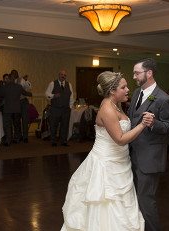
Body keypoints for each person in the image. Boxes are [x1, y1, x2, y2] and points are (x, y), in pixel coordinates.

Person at [61, 71, 154, 231]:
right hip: (106, 164)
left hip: (120, 162)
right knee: (107, 203)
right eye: (123, 87)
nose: (127, 90)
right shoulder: (107, 109)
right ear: (112, 91)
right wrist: (142, 125)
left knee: (121, 204)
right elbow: (120, 139)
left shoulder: (114, 105)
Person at [128, 58, 169, 231]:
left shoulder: (164, 99)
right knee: (135, 199)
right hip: (132, 155)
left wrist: (155, 123)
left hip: (150, 159)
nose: (134, 76)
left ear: (149, 73)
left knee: (146, 200)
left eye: (137, 73)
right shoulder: (135, 94)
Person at [0, 74, 32, 146]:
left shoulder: (5, 87)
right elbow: (26, 93)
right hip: (17, 109)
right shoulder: (19, 87)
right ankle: (17, 139)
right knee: (16, 124)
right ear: (14, 79)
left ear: (10, 79)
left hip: (7, 109)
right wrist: (30, 94)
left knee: (7, 125)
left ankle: (8, 140)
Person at [45, 69, 74, 147]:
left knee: (65, 126)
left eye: (64, 75)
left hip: (66, 109)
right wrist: (53, 95)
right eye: (62, 75)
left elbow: (71, 97)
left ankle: (63, 141)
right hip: (55, 108)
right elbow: (47, 94)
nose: (63, 76)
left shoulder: (69, 84)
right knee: (54, 125)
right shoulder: (52, 83)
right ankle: (53, 141)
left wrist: (70, 107)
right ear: (59, 75)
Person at [17, 74, 32, 143]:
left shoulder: (25, 81)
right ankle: (19, 136)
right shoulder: (14, 81)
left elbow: (29, 88)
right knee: (17, 120)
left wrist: (24, 80)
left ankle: (25, 137)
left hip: (24, 102)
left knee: (25, 120)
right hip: (16, 102)